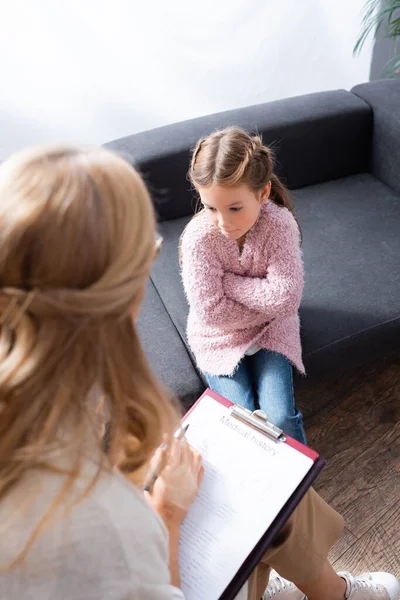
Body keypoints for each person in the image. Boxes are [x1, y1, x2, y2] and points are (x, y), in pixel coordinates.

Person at [0, 145, 398, 600]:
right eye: (144, 256)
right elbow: (213, 312)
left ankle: (289, 580)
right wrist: (167, 511)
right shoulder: (90, 523)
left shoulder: (56, 411)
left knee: (265, 451)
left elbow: (284, 298)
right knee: (258, 482)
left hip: (265, 335)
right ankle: (306, 588)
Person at [180, 126, 307, 444]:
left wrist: (230, 284)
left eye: (234, 208)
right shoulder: (199, 239)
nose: (223, 221)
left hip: (272, 330)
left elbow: (285, 299)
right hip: (217, 338)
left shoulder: (279, 225)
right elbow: (211, 313)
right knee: (241, 419)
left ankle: (299, 486)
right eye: (210, 207)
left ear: (262, 194)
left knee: (279, 417)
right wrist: (263, 297)